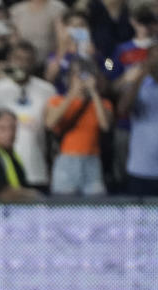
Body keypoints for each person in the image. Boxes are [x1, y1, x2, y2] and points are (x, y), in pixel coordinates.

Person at [0, 41, 57, 191]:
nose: (23, 64)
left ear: (34, 62)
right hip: (6, 171)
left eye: (27, 60)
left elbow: (52, 130)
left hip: (37, 169)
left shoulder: (46, 90)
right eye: (18, 59)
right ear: (10, 60)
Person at [43, 59, 111, 195]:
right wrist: (73, 94)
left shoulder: (103, 103)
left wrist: (94, 92)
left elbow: (105, 125)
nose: (81, 79)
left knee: (95, 208)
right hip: (66, 161)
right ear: (70, 77)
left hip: (92, 161)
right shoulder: (56, 100)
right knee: (64, 208)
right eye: (77, 75)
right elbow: (50, 123)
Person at [118, 43, 158, 196]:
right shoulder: (139, 85)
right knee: (138, 219)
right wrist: (141, 75)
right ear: (148, 60)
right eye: (156, 58)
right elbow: (122, 109)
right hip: (141, 168)